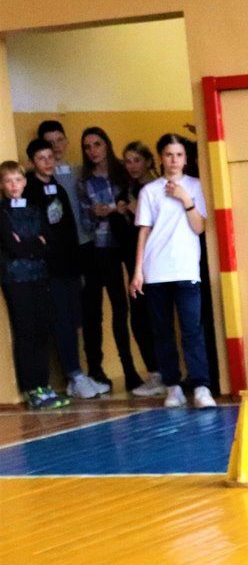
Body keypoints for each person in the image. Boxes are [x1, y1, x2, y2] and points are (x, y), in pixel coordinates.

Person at [129, 133, 216, 408]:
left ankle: (201, 386)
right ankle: (172, 386)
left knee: (192, 329)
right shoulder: (149, 191)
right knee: (162, 331)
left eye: (179, 155)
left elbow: (199, 227)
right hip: (156, 271)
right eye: (168, 154)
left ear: (185, 158)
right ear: (161, 157)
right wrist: (138, 271)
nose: (174, 160)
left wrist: (184, 199)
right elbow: (144, 231)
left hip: (186, 269)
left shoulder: (195, 186)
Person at [23, 138, 106, 400]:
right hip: (49, 268)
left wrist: (77, 263)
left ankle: (77, 375)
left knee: (74, 320)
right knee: (60, 321)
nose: (48, 163)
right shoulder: (30, 190)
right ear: (32, 163)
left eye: (50, 157)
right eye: (41, 159)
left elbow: (68, 226)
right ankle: (73, 372)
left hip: (69, 264)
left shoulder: (57, 187)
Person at [0, 160, 70, 409]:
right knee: (25, 331)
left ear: (24, 181)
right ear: (2, 185)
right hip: (15, 279)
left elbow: (47, 242)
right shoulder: (2, 212)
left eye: (17, 180)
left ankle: (45, 385)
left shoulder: (34, 209)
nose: (14, 185)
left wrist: (31, 244)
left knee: (43, 328)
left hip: (39, 276)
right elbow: (12, 246)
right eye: (8, 181)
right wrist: (33, 243)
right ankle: (32, 388)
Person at [78, 126, 141, 391]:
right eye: (88, 146)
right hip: (100, 250)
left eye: (97, 144)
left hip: (127, 246)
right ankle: (102, 368)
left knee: (126, 308)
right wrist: (101, 212)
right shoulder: (84, 181)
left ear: (107, 145)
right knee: (103, 309)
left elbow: (138, 209)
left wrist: (117, 210)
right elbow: (86, 221)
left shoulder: (123, 173)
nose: (93, 151)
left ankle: (131, 369)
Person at [116, 141, 163, 397]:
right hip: (134, 260)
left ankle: (163, 373)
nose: (132, 166)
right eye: (128, 161)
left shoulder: (155, 188)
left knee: (153, 318)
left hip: (153, 261)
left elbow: (161, 224)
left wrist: (138, 213)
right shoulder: (130, 188)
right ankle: (155, 371)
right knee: (139, 318)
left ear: (147, 161)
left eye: (136, 160)